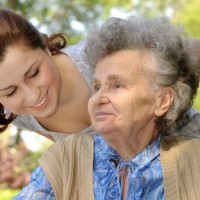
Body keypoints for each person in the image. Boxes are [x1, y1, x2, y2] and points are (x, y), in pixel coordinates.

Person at [13, 16, 200, 200]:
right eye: (96, 87)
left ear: (162, 100)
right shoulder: (65, 160)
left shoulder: (194, 160)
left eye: (117, 85)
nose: (97, 99)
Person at [0, 8, 93, 141]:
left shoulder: (97, 60)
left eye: (34, 73)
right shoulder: (21, 117)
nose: (33, 96)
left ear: (45, 49)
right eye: (11, 92)